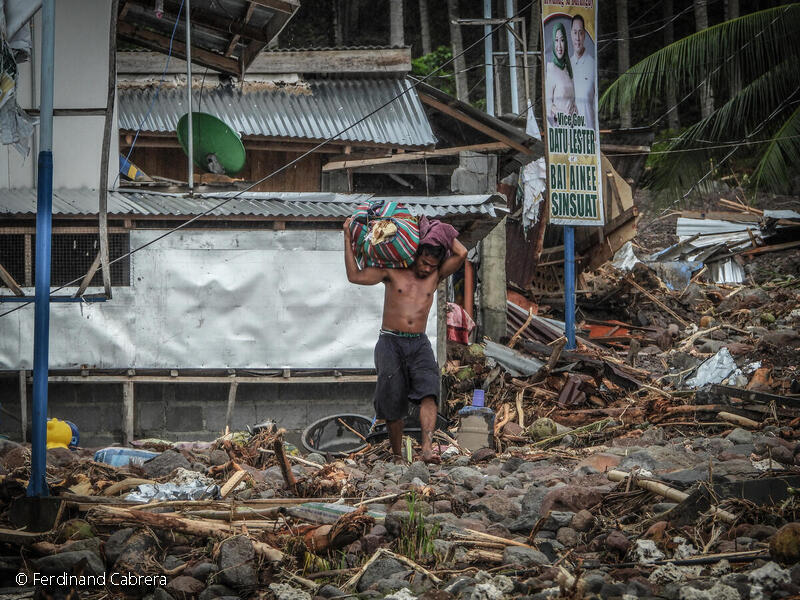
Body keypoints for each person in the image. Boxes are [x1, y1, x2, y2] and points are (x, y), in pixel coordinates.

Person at [343, 217, 467, 463]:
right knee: (392, 401)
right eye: (423, 262)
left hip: (419, 342)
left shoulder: (436, 276)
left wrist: (438, 233)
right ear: (414, 255)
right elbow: (354, 276)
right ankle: (398, 455)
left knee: (430, 392)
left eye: (432, 265)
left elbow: (461, 253)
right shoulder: (392, 271)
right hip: (390, 341)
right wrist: (347, 236)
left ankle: (428, 449)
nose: (426, 268)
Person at [546, 21, 577, 127]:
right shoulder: (550, 68)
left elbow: (573, 101)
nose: (559, 45)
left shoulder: (568, 69)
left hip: (574, 127)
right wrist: (560, 115)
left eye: (562, 40)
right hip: (559, 130)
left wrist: (574, 108)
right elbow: (547, 105)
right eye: (556, 40)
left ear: (566, 43)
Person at [570, 14, 596, 130]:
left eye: (580, 32)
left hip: (589, 135)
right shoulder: (565, 66)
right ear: (570, 34)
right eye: (575, 32)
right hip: (568, 136)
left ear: (584, 35)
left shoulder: (592, 65)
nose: (577, 37)